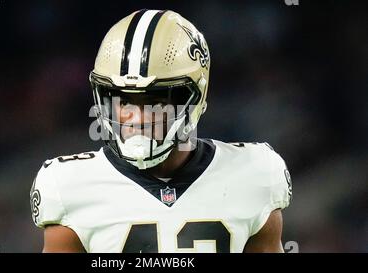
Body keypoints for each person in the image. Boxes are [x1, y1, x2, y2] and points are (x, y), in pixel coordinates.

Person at [30, 9, 292, 253]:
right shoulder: (70, 185)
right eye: (124, 100)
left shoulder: (255, 174)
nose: (137, 117)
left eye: (155, 101)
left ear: (195, 97)